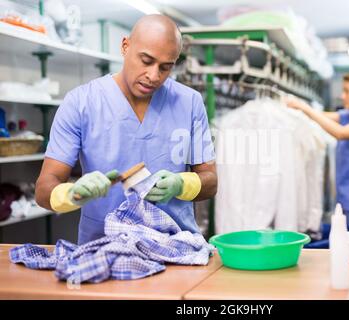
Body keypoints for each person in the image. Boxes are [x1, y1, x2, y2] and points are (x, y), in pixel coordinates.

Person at [35, 14, 217, 244]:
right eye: (146, 60)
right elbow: (43, 189)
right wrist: (70, 194)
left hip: (175, 246)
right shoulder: (81, 103)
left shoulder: (189, 102)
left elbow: (210, 181)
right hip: (104, 248)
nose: (153, 76)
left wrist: (182, 184)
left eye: (165, 67)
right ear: (125, 46)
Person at [284, 73, 349, 230]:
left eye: (347, 91)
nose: (342, 96)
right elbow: (321, 116)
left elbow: (341, 133)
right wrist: (296, 111)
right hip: (346, 200)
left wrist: (303, 106)